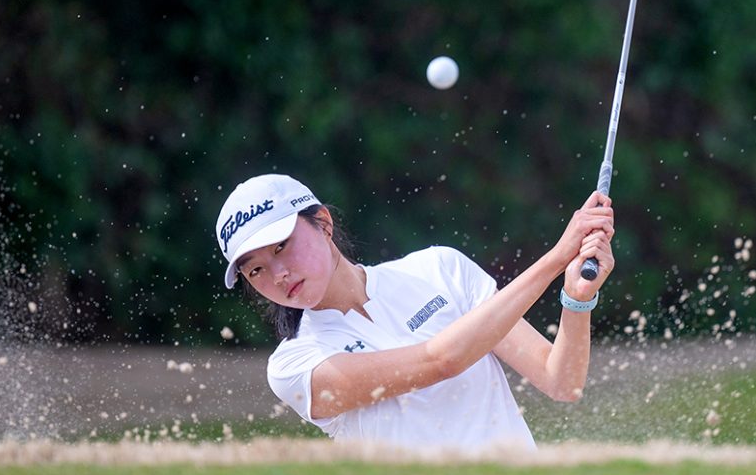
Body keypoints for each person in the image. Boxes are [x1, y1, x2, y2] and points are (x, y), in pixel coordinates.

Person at [215, 173, 614, 452]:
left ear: (323, 223)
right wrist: (558, 256)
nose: (278, 274)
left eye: (281, 247)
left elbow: (562, 382)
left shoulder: (440, 269)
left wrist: (576, 299)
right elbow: (441, 360)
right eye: (256, 270)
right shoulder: (295, 365)